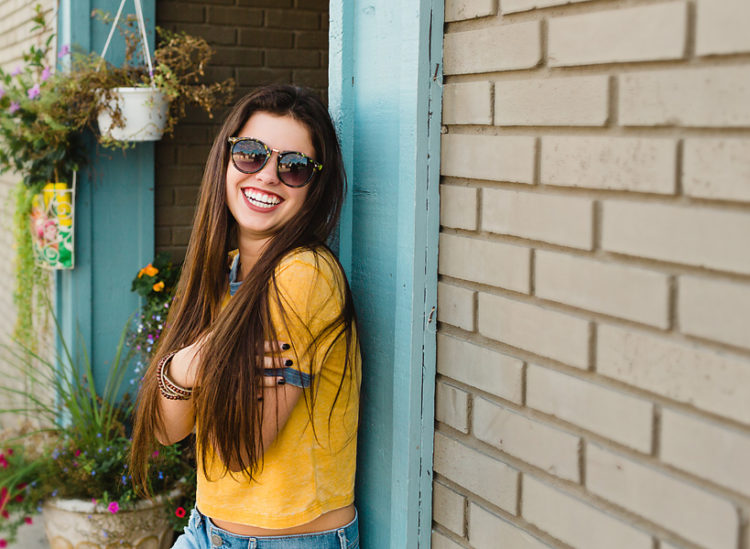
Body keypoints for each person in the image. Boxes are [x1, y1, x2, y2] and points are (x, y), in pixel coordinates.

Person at [130, 85, 361, 549]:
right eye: (252, 154)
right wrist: (188, 365)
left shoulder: (304, 275)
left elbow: (242, 447)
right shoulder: (225, 272)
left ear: (314, 187)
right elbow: (164, 429)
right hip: (208, 530)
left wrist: (188, 373)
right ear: (227, 158)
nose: (269, 175)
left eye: (294, 167)